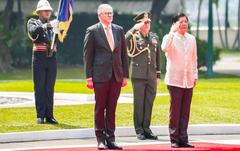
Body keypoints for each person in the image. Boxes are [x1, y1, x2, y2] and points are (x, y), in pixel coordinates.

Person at [83, 4, 129, 150]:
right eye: (107, 13)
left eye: (111, 13)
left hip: (116, 75)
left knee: (112, 108)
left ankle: (111, 139)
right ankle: (100, 139)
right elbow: (88, 56)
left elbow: (123, 54)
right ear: (100, 15)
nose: (110, 15)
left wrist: (125, 75)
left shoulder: (119, 30)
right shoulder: (92, 31)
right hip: (100, 76)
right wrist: (88, 77)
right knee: (100, 107)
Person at [161, 13, 198, 148]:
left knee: (185, 112)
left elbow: (194, 59)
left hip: (188, 80)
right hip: (174, 80)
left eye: (185, 22)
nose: (184, 24)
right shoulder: (169, 38)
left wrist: (195, 75)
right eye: (181, 22)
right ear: (175, 24)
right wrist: (172, 31)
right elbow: (164, 47)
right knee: (175, 111)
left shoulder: (191, 39)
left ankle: (183, 138)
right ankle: (174, 139)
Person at [125, 12, 161, 140]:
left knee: (149, 103)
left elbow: (157, 57)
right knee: (139, 103)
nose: (147, 25)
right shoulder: (133, 37)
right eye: (144, 22)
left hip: (151, 75)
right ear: (139, 24)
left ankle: (147, 128)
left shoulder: (154, 37)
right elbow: (123, 42)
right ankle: (139, 129)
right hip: (138, 75)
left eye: (149, 22)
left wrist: (158, 75)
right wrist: (134, 28)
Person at [27, 0, 59, 124]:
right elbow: (33, 32)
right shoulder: (33, 22)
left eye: (49, 10)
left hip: (51, 58)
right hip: (39, 59)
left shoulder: (53, 24)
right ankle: (40, 115)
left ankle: (49, 115)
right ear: (39, 12)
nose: (48, 12)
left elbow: (59, 38)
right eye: (45, 10)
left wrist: (59, 29)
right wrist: (46, 26)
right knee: (39, 87)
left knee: (49, 88)